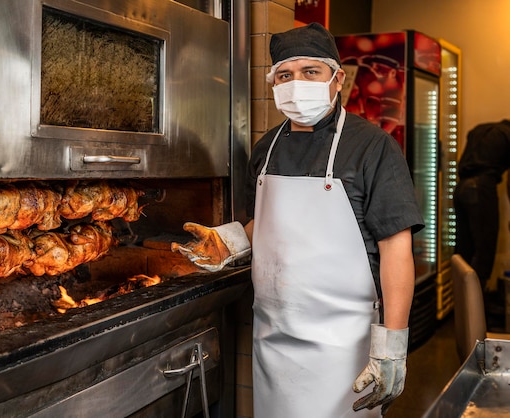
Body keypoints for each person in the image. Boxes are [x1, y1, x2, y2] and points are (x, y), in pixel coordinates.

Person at [172, 22, 424, 417]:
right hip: (273, 338)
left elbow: (396, 250)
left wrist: (392, 347)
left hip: (345, 347)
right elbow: (269, 224)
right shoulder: (266, 148)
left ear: (337, 79)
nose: (297, 83)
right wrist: (231, 242)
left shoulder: (373, 148)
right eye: (285, 75)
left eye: (311, 72)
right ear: (273, 83)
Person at [454, 119, 510, 321]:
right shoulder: (506, 135)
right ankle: (477, 313)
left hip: (461, 189)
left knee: (463, 251)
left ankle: (461, 309)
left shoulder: (478, 128)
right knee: (484, 250)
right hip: (482, 188)